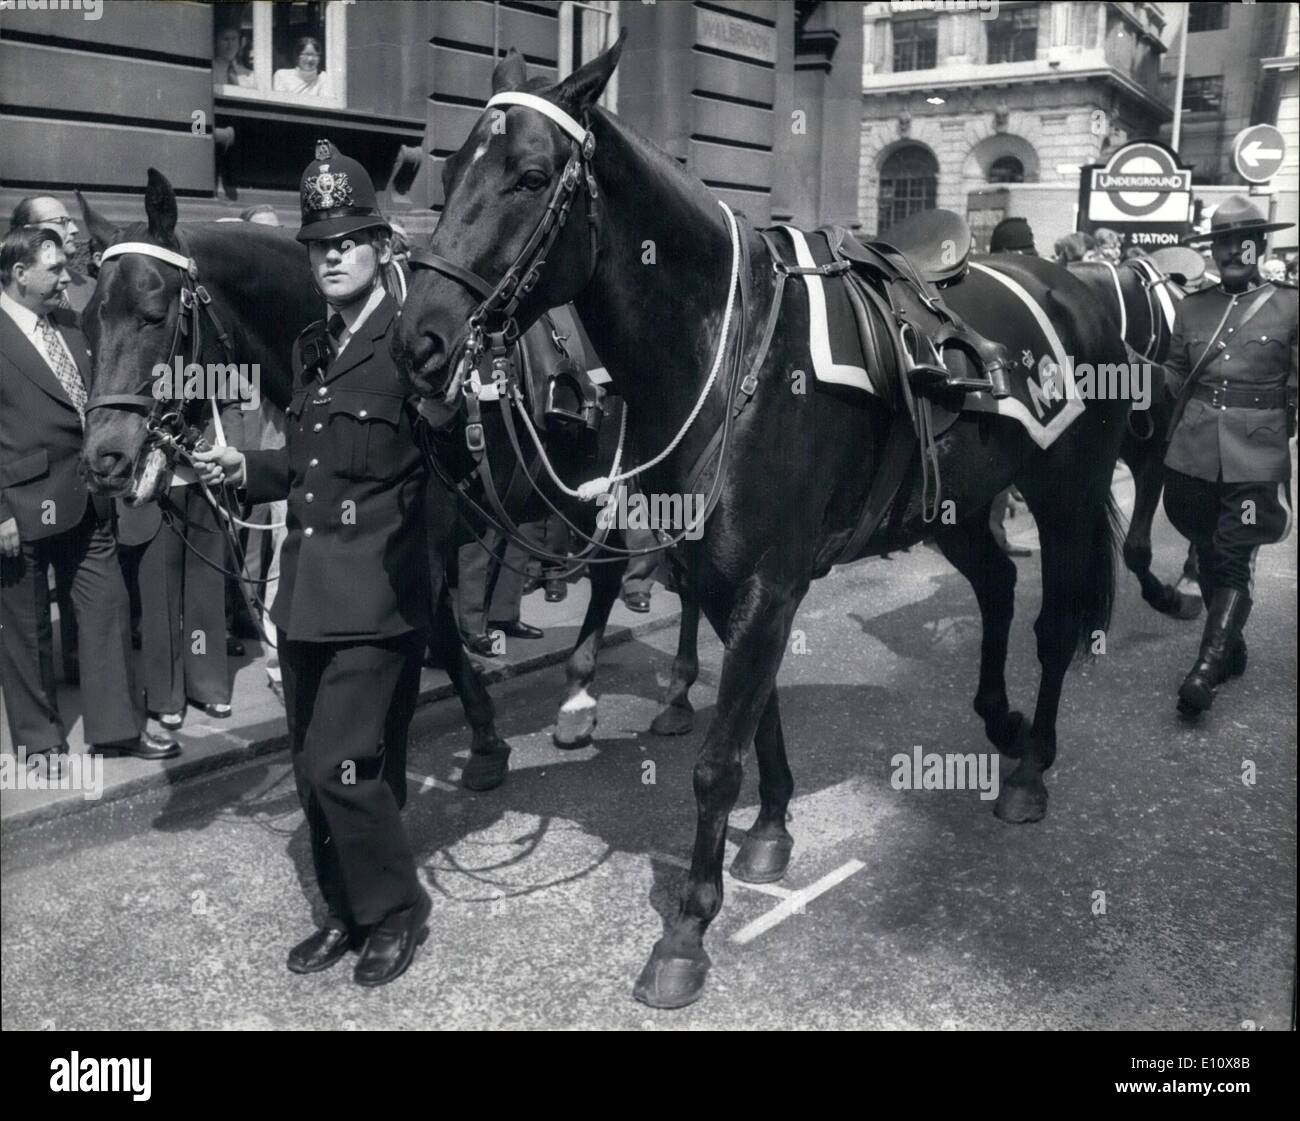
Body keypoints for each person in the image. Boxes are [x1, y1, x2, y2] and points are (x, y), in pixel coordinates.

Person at [193, 140, 431, 987]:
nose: (329, 256)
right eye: (318, 244)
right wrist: (242, 469)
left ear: (378, 246)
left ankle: (399, 908)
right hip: (304, 595)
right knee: (308, 769)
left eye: (346, 242)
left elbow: (448, 466)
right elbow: (306, 459)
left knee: (343, 764)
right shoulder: (309, 346)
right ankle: (347, 909)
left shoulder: (411, 342)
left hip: (377, 595)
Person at [0, 227, 179, 771]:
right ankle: (39, 743)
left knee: (108, 609)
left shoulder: (73, 324)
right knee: (25, 631)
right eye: (53, 268)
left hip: (86, 496)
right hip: (19, 505)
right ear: (18, 274)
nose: (65, 277)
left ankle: (117, 729)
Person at [1158, 195, 1297, 716]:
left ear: (1258, 246)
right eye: (1221, 243)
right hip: (1193, 452)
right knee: (1211, 552)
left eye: (1242, 242)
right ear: (1212, 250)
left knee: (1234, 555)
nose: (1231, 252)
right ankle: (1232, 646)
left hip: (1256, 454)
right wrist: (1131, 374)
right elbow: (1175, 376)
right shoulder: (1193, 306)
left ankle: (1206, 668)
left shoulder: (1290, 304)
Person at [11, 196, 95, 316]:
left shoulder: (89, 287)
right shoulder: (6, 289)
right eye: (62, 222)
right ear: (30, 231)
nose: (75, 229)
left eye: (71, 222)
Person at [213, 24, 256, 90]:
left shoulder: (249, 74)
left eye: (234, 39)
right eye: (225, 39)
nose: (230, 44)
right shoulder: (210, 71)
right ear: (216, 42)